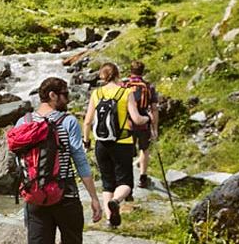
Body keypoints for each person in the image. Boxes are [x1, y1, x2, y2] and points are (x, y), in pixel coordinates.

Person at [16, 77, 105, 244]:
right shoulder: (68, 121)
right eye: (65, 94)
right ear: (53, 95)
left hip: (35, 197)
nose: (68, 99)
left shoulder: (23, 122)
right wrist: (94, 198)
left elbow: (19, 163)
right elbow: (80, 161)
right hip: (66, 195)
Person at [83, 62, 141, 228]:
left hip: (101, 144)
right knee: (126, 183)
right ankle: (116, 201)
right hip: (122, 143)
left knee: (107, 182)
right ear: (117, 74)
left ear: (102, 75)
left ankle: (110, 221)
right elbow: (136, 119)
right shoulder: (126, 92)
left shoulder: (97, 93)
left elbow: (87, 121)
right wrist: (147, 119)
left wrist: (86, 141)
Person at [118, 61, 160, 189]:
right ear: (143, 71)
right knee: (144, 149)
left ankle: (126, 179)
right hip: (143, 122)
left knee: (125, 151)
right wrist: (155, 128)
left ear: (130, 71)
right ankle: (143, 176)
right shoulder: (148, 87)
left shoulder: (124, 85)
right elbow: (154, 109)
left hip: (127, 122)